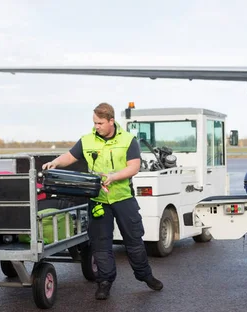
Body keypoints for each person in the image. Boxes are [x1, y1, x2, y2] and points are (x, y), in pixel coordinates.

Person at [42, 102, 164, 300]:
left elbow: (134, 167)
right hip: (98, 200)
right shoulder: (87, 140)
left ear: (111, 121)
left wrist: (114, 176)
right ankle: (104, 282)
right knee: (101, 244)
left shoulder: (128, 140)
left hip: (123, 198)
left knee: (133, 240)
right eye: (94, 123)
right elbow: (70, 156)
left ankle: (145, 276)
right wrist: (56, 162)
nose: (96, 126)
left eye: (99, 123)